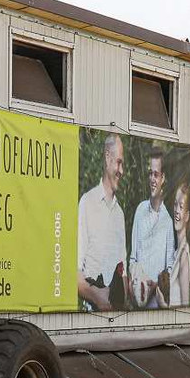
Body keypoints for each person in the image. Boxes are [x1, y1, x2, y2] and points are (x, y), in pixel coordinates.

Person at [77, 132, 128, 311]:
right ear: (107, 158)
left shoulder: (119, 213)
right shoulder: (87, 203)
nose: (121, 171)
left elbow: (123, 270)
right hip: (91, 315)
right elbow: (75, 274)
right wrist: (99, 300)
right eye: (119, 162)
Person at [128, 148, 175, 308]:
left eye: (156, 174)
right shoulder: (140, 210)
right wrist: (134, 283)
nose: (152, 179)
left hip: (155, 304)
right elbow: (133, 257)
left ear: (163, 178)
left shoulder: (168, 222)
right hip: (135, 302)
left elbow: (170, 266)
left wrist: (154, 285)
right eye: (150, 174)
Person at [168, 180, 190, 308]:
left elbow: (185, 305)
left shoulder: (183, 253)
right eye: (175, 205)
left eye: (181, 207)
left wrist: (163, 304)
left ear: (187, 216)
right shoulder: (176, 252)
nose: (177, 211)